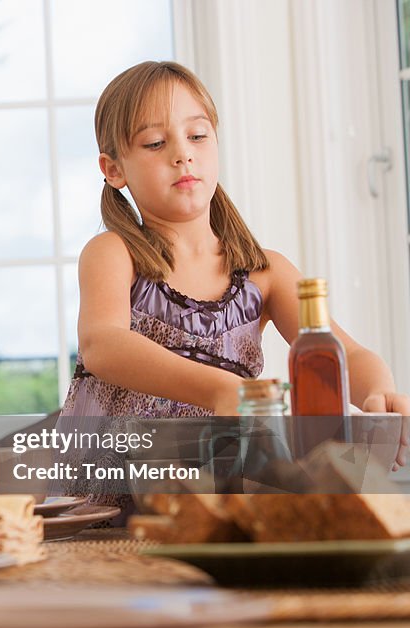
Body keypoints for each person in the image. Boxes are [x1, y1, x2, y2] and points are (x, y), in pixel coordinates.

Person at [59, 61, 409, 506]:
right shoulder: (113, 253)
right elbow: (102, 344)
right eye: (154, 142)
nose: (182, 154)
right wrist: (220, 388)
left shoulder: (268, 273)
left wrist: (379, 390)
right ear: (113, 170)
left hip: (217, 501)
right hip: (108, 505)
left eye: (198, 136)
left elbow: (345, 353)